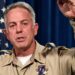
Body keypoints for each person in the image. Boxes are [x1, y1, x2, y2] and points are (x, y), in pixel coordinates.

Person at [0, 1, 61, 75]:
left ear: (35, 29)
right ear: (6, 34)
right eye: (12, 25)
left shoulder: (59, 60)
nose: (19, 30)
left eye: (24, 23)